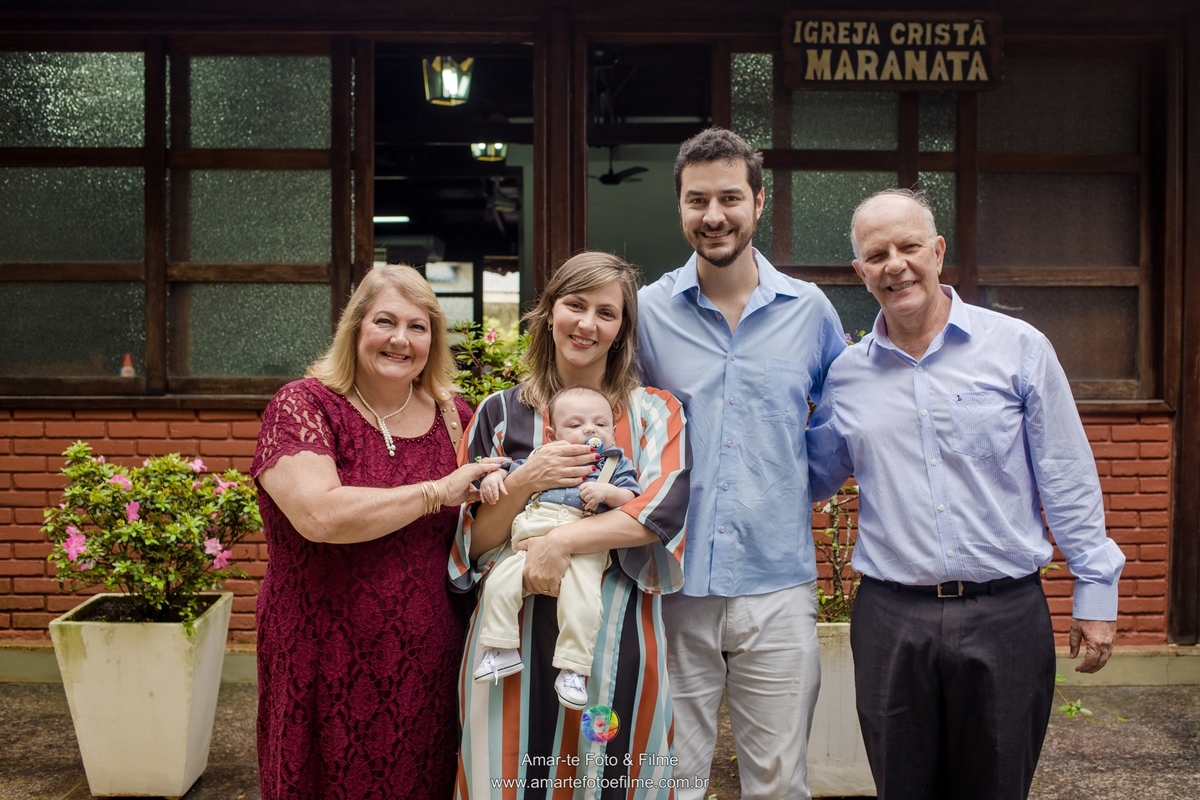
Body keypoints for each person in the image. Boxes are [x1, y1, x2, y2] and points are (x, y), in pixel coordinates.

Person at [806, 189, 1126, 800]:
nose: (894, 264)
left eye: (908, 246)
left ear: (937, 250)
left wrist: (1096, 589)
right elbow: (812, 477)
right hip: (891, 619)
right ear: (860, 272)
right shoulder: (847, 375)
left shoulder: (1018, 348)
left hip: (1004, 613)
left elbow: (1066, 473)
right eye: (877, 254)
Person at [637, 127, 847, 800]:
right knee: (671, 779)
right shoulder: (646, 313)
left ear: (759, 203)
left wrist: (785, 489)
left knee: (779, 782)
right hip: (672, 580)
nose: (714, 216)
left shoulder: (809, 310)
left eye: (730, 197)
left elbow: (842, 420)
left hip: (776, 582)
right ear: (680, 209)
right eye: (697, 200)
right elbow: (619, 424)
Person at [251, 264, 503, 800]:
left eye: (418, 326)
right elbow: (320, 515)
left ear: (433, 339)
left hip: (427, 663)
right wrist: (435, 491)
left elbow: (473, 538)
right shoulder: (304, 406)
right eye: (384, 321)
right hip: (322, 655)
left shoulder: (454, 416)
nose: (400, 339)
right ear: (355, 328)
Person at [451, 251, 692, 799]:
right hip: (508, 641)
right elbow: (472, 541)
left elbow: (658, 514)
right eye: (574, 305)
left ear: (622, 329)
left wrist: (558, 541)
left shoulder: (657, 412)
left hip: (617, 636)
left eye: (606, 312)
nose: (587, 323)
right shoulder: (498, 413)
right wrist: (525, 481)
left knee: (609, 777)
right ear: (549, 312)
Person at [473, 384, 642, 711]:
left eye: (600, 424)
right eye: (576, 425)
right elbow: (506, 473)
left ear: (613, 432)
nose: (590, 429)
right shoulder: (540, 459)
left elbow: (632, 500)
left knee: (583, 602)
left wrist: (608, 493)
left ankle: (574, 669)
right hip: (529, 538)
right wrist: (493, 480)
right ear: (551, 435)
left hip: (582, 545)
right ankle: (500, 647)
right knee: (498, 583)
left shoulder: (614, 466)